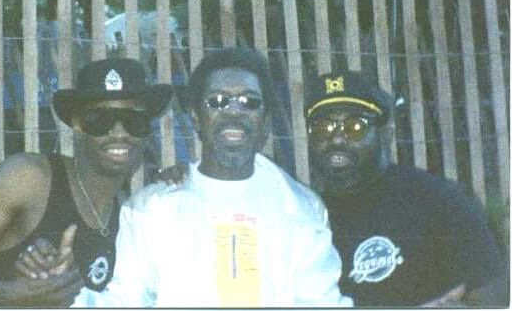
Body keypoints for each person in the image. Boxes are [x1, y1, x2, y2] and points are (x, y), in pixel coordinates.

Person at [82, 47, 351, 307]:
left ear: (266, 121)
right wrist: (65, 297)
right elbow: (126, 300)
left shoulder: (301, 209)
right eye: (218, 101)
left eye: (249, 102)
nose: (234, 112)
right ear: (197, 118)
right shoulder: (150, 209)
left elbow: (320, 301)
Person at [0, 58, 173, 307]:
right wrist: (15, 295)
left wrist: (183, 181)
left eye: (134, 121)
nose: (119, 132)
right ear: (77, 125)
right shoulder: (29, 178)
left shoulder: (131, 215)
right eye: (101, 119)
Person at [305, 70, 507, 307]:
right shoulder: (302, 216)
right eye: (322, 128)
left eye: (354, 127)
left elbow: (496, 293)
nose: (337, 139)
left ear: (386, 134)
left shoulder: (439, 201)